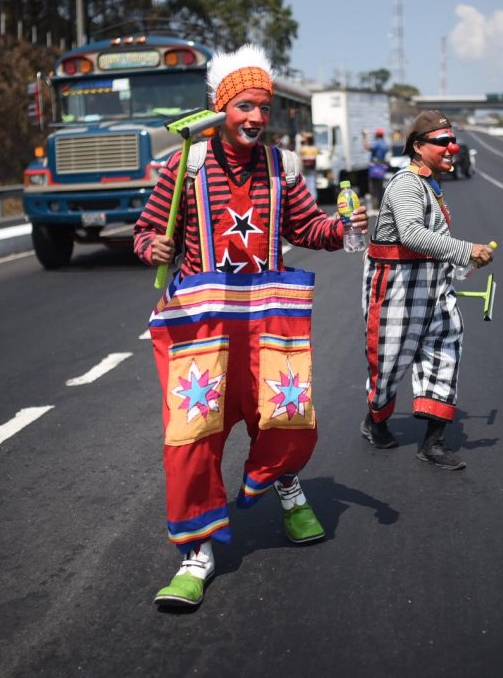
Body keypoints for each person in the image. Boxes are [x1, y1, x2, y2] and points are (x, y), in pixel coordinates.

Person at [134, 44, 368, 607]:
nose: (257, 118)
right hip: (203, 326)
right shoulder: (182, 166)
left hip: (267, 319)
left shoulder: (281, 167)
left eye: (264, 107)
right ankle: (198, 551)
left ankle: (282, 485)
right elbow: (144, 234)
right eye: (245, 106)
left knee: (287, 415)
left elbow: (309, 228)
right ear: (222, 108)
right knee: (193, 437)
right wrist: (153, 245)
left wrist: (344, 228)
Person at [360, 110, 494, 470]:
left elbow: (435, 242)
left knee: (444, 354)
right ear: (418, 147)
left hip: (434, 289)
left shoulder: (432, 184)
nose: (451, 148)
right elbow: (412, 235)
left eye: (452, 141)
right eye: (442, 142)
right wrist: (467, 250)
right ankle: (376, 421)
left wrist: (462, 264)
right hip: (396, 292)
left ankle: (433, 442)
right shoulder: (405, 184)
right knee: (388, 364)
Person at [362, 127, 389, 210]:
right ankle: (381, 205)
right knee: (380, 187)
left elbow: (367, 147)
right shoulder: (385, 144)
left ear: (377, 135)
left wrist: (364, 137)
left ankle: (375, 206)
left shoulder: (377, 143)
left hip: (374, 168)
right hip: (381, 167)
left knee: (373, 188)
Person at [300, 132, 319, 199]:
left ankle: (311, 199)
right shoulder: (312, 148)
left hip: (309, 169)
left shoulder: (305, 149)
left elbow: (314, 160)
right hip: (307, 169)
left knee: (310, 184)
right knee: (309, 184)